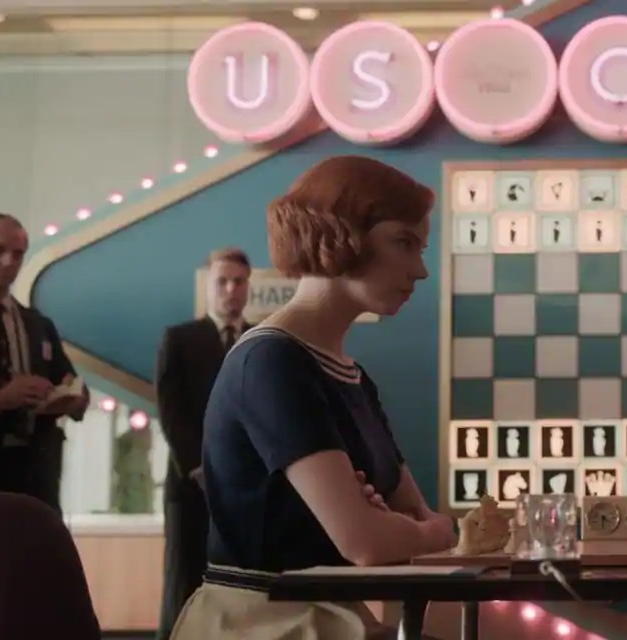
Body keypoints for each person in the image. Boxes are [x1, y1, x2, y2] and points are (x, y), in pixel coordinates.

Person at [170, 156, 456, 640]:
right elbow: (369, 542)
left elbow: (404, 521)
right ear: (339, 234)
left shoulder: (352, 377)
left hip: (332, 619)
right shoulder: (270, 361)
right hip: (264, 624)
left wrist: (400, 528)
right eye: (404, 243)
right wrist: (433, 531)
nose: (421, 270)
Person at [154, 247, 253, 640]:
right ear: (208, 286)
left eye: (239, 282)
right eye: (222, 281)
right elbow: (171, 410)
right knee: (184, 581)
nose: (231, 289)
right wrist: (200, 468)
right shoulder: (179, 339)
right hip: (191, 486)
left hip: (248, 489)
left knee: (243, 587)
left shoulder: (264, 339)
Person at [0, 212, 89, 512]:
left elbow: (70, 381)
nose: (8, 262)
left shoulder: (37, 324)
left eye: (18, 254)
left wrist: (69, 396)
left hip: (35, 478)